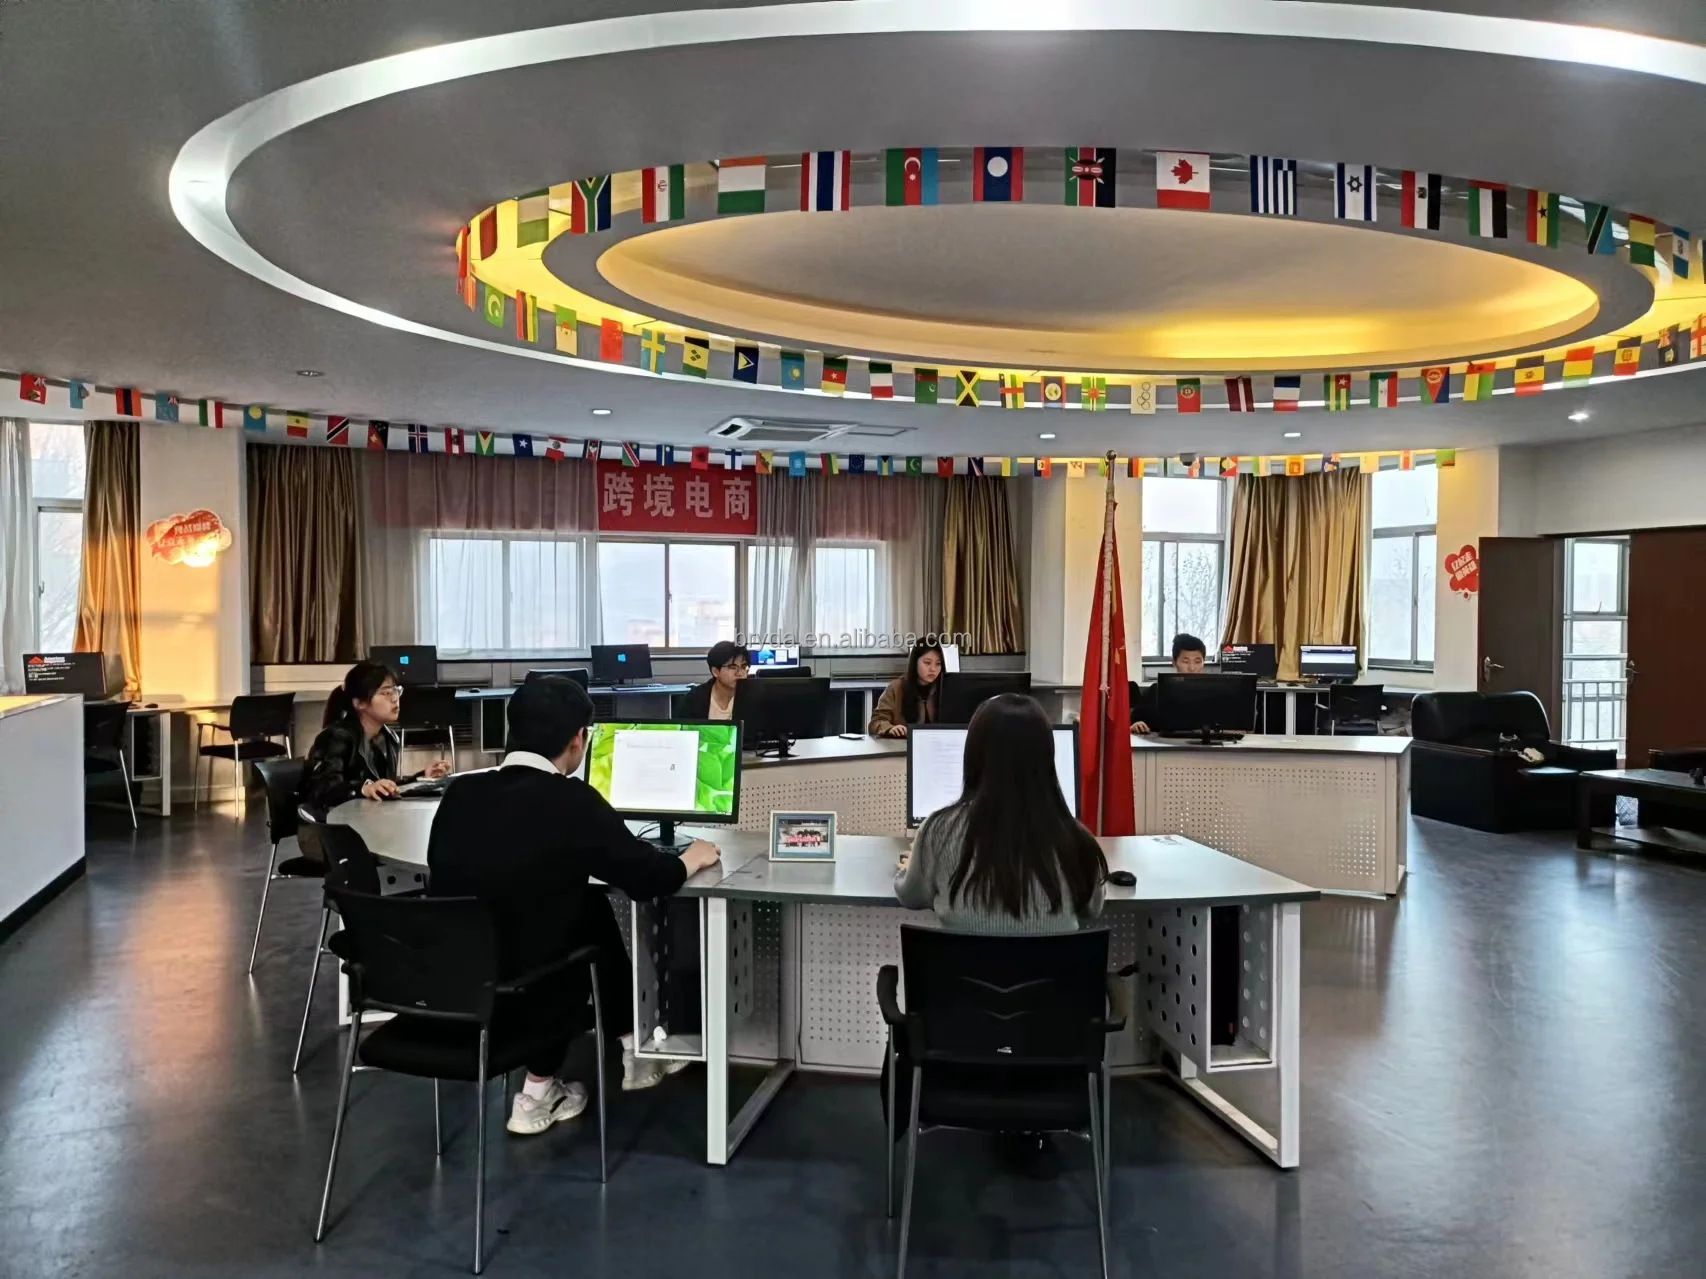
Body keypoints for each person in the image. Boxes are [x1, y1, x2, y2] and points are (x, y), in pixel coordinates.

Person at [425, 676, 722, 1136]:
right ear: (577, 740)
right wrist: (692, 857)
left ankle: (631, 1045)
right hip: (530, 991)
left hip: (452, 985)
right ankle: (541, 1089)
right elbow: (646, 880)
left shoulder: (461, 793)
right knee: (575, 930)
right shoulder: (571, 801)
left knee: (589, 909)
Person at [896, 693, 1107, 932]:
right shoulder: (1078, 840)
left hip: (961, 959)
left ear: (974, 755)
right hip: (1055, 959)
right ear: (1047, 757)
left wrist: (909, 868)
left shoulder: (938, 831)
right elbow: (1093, 909)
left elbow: (911, 897)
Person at [299, 660, 450, 814]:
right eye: (386, 693)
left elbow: (385, 786)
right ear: (360, 703)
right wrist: (363, 788)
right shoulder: (336, 737)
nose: (395, 698)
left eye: (396, 690)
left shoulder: (389, 738)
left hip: (368, 818)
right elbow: (322, 790)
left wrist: (422, 778)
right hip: (334, 823)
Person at [1132, 632, 1209, 733]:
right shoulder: (1156, 691)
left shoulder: (1212, 691)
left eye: (1197, 662)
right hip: (1162, 742)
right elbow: (1135, 721)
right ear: (1174, 662)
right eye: (1186, 661)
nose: (1192, 668)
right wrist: (1136, 725)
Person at [868, 640, 944, 738]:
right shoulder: (896, 688)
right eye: (927, 663)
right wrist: (889, 728)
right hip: (903, 745)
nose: (933, 669)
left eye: (938, 664)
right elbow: (875, 722)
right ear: (915, 662)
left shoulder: (944, 688)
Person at [678, 640, 749, 720]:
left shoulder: (752, 697)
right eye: (733, 667)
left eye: (743, 667)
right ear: (715, 671)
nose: (740, 673)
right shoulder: (694, 699)